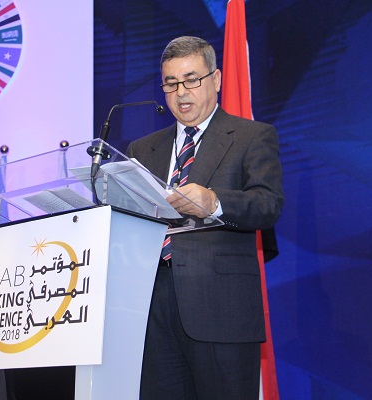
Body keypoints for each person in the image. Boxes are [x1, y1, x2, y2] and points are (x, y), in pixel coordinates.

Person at [126, 36, 284, 400]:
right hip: (150, 307)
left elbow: (268, 204)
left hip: (220, 306)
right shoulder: (142, 149)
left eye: (191, 80)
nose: (181, 92)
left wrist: (215, 202)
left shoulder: (251, 136)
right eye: (171, 83)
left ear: (216, 79)